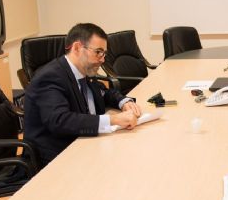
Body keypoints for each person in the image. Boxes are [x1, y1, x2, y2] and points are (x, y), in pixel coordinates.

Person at [24, 23, 142, 168]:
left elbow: (103, 93)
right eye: (98, 52)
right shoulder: (50, 77)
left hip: (86, 143)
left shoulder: (84, 71)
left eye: (104, 53)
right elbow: (60, 121)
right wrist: (113, 119)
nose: (103, 59)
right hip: (57, 156)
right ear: (77, 48)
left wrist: (123, 102)